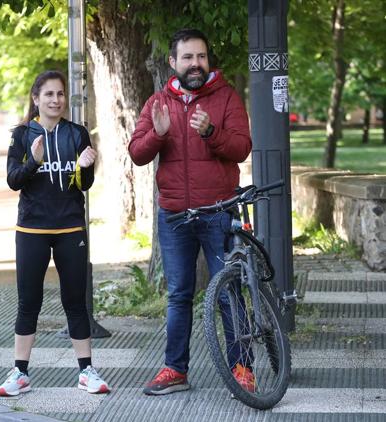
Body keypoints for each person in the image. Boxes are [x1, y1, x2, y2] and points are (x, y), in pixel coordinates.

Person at [129, 29, 253, 395]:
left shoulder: (226, 97)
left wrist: (212, 132)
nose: (195, 64)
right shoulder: (157, 102)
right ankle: (175, 370)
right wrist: (159, 134)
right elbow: (137, 153)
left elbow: (242, 147)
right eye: (188, 57)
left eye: (201, 57)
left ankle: (243, 367)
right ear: (173, 62)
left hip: (218, 212)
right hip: (176, 217)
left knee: (229, 292)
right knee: (179, 295)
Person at [0, 70, 109, 397]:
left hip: (70, 226)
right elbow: (13, 180)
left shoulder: (77, 133)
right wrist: (33, 161)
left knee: (74, 301)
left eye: (60, 94)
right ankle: (20, 373)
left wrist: (87, 166)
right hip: (31, 228)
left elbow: (83, 186)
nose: (55, 100)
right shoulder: (21, 135)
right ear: (36, 99)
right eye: (48, 94)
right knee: (27, 301)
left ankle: (87, 370)